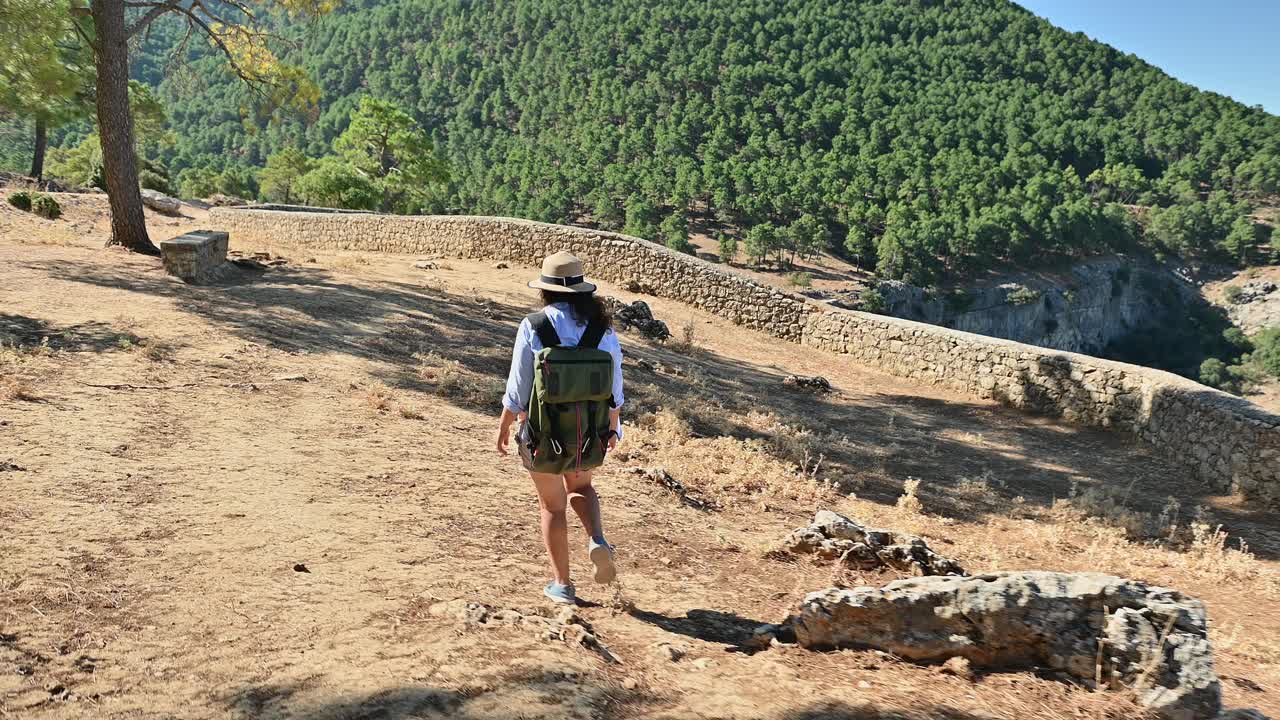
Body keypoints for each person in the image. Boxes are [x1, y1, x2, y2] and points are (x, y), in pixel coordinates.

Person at [496, 250, 624, 605]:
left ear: (546, 290)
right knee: (582, 487)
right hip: (590, 430)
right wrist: (612, 428)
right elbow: (615, 388)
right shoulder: (601, 327)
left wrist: (505, 424)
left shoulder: (534, 325)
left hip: (544, 433)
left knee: (552, 506)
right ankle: (597, 539)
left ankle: (563, 585)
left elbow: (519, 386)